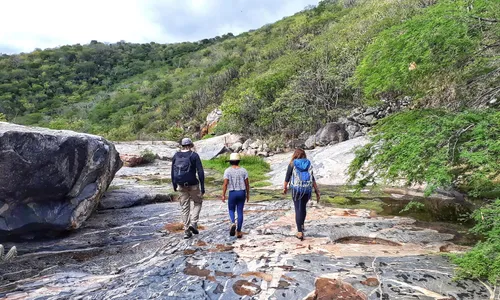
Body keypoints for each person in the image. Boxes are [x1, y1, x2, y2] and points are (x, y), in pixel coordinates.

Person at [283, 148, 320, 241]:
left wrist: (285, 188)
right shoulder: (308, 163)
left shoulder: (292, 164)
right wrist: (316, 190)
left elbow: (287, 177)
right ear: (304, 155)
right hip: (307, 189)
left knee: (298, 209)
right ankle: (302, 225)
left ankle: (299, 232)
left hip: (296, 189)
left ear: (295, 155)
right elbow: (313, 178)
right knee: (303, 208)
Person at [171, 137, 205, 239]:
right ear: (191, 145)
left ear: (182, 145)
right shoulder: (194, 155)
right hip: (193, 185)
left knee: (185, 207)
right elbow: (200, 172)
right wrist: (202, 186)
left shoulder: (176, 155)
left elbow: (172, 172)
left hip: (181, 185)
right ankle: (193, 223)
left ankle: (186, 230)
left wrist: (174, 184)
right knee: (198, 202)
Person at [221, 153, 250, 238]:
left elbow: (225, 184)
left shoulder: (227, 171)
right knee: (240, 211)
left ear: (230, 162)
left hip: (232, 192)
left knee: (231, 209)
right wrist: (247, 194)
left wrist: (223, 195)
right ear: (238, 161)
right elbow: (247, 184)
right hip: (242, 192)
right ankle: (239, 231)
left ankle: (233, 222)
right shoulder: (244, 170)